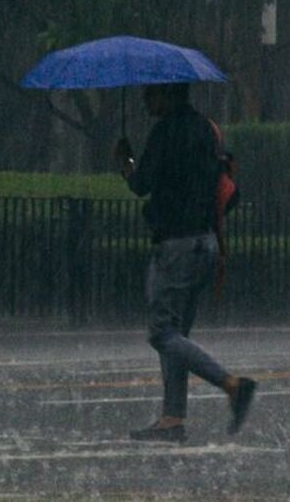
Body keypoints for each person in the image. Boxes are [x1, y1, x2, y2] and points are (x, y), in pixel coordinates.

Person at [113, 82, 257, 443]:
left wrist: (126, 164)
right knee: (177, 334)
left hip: (175, 245)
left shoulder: (166, 132)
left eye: (151, 94)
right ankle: (172, 418)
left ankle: (232, 385)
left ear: (169, 94)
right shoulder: (206, 129)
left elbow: (141, 185)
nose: (145, 100)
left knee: (162, 333)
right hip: (205, 242)